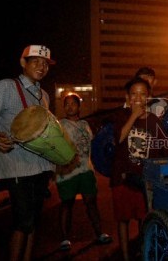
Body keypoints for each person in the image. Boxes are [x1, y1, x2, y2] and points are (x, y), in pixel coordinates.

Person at [0, 45, 56, 261]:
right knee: (23, 222)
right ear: (23, 63)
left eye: (45, 64)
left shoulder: (44, 95)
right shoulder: (5, 87)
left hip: (41, 166)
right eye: (36, 62)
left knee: (33, 221)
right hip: (17, 165)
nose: (41, 67)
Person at [109, 77, 168, 261]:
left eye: (143, 94)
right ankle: (125, 255)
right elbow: (119, 139)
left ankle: (143, 250)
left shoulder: (154, 120)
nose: (138, 98)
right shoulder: (121, 116)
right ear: (127, 97)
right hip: (122, 177)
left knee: (143, 217)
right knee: (123, 219)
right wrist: (133, 116)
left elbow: (164, 147)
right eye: (134, 94)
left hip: (144, 180)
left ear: (149, 97)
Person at [55, 93, 112, 251]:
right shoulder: (60, 125)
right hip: (67, 172)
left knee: (91, 202)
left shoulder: (85, 124)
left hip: (86, 170)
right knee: (67, 204)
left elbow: (95, 146)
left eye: (73, 103)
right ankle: (65, 238)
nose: (70, 107)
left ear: (79, 106)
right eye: (66, 104)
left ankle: (99, 233)